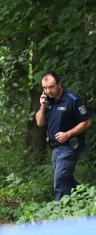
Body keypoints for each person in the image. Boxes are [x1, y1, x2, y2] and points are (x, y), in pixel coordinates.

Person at [35, 71, 91, 201]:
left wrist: (68, 134)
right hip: (55, 147)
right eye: (45, 88)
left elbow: (87, 122)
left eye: (51, 87)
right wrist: (42, 107)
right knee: (66, 180)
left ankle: (59, 216)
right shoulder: (47, 100)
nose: (48, 90)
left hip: (70, 144)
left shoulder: (73, 99)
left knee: (60, 180)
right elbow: (39, 123)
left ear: (59, 84)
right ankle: (89, 199)